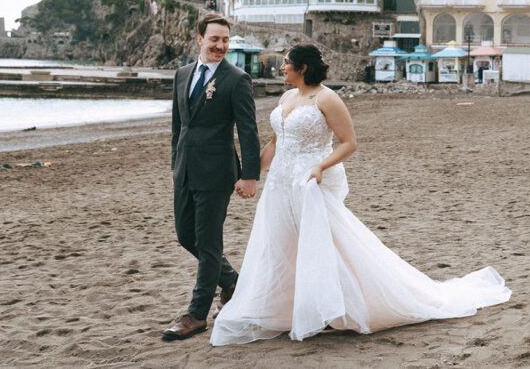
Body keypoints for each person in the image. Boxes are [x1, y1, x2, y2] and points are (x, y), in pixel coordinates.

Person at [210, 44, 510, 345]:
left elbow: (348, 143)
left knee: (323, 244)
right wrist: (250, 174)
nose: (282, 67)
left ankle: (330, 309)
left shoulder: (327, 98)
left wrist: (320, 166)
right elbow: (277, 142)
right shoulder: (287, 96)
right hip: (280, 183)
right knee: (280, 243)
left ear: (302, 68)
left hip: (310, 181)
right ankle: (287, 305)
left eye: (287, 63)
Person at [163, 13, 261, 341]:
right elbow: (179, 126)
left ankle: (196, 314)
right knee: (185, 236)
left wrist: (250, 175)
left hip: (218, 173)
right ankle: (232, 281)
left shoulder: (237, 80)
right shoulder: (181, 75)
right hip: (186, 171)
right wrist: (176, 166)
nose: (220, 46)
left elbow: (248, 131)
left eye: (225, 40)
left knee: (208, 243)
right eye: (215, 39)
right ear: (200, 40)